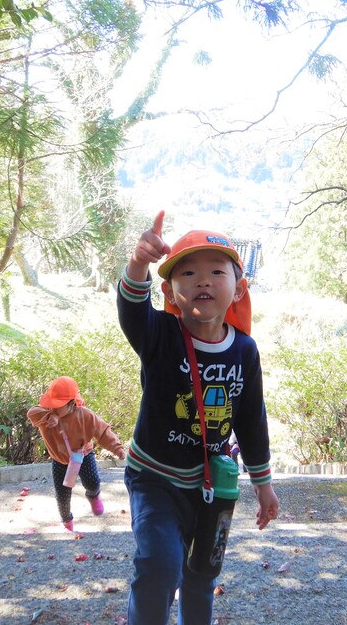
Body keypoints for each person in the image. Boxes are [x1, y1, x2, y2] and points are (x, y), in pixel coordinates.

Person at [117, 210, 279, 625]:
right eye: (187, 273)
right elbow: (133, 311)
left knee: (201, 573)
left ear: (238, 289)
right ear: (171, 291)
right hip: (154, 479)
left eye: (216, 271)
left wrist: (263, 485)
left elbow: (250, 419)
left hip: (210, 488)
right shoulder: (160, 335)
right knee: (161, 564)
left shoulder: (244, 351)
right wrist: (138, 263)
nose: (202, 280)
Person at [26, 376, 126, 532]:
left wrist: (118, 449)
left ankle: (93, 495)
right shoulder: (47, 414)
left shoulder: (85, 415)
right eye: (52, 404)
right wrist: (50, 416)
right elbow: (32, 413)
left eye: (58, 405)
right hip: (59, 460)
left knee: (93, 481)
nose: (54, 408)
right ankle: (67, 522)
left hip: (83, 455)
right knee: (62, 496)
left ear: (71, 403)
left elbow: (103, 432)